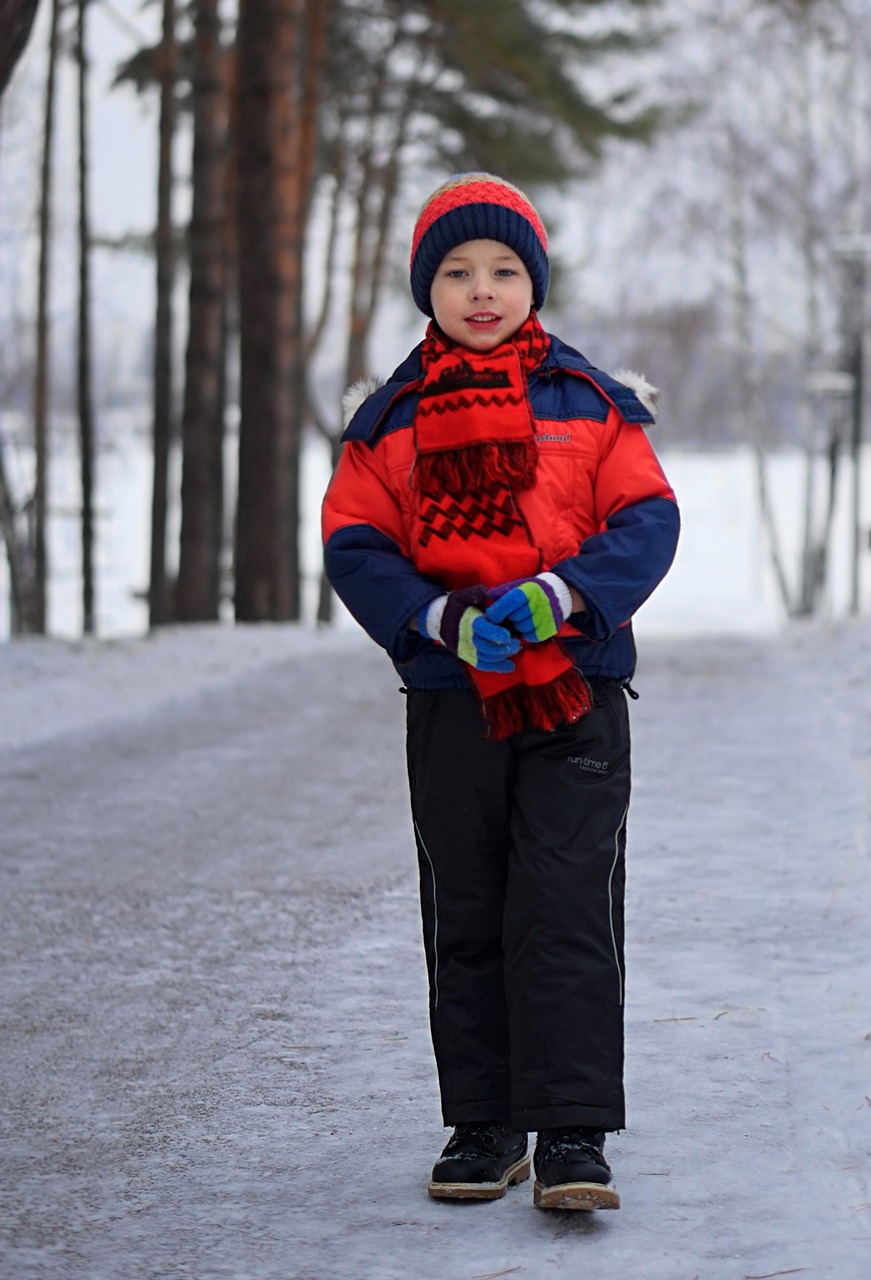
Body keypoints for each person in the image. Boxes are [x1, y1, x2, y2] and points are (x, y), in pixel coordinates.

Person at [321, 173, 679, 1212]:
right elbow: (356, 543)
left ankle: (572, 1130)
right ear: (426, 289)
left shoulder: (591, 401)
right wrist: (440, 619)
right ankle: (484, 1122)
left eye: (504, 270)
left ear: (535, 282)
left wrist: (565, 596)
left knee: (565, 905)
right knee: (467, 903)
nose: (482, 290)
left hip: (571, 687)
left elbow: (646, 522)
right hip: (450, 692)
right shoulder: (387, 418)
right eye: (458, 272)